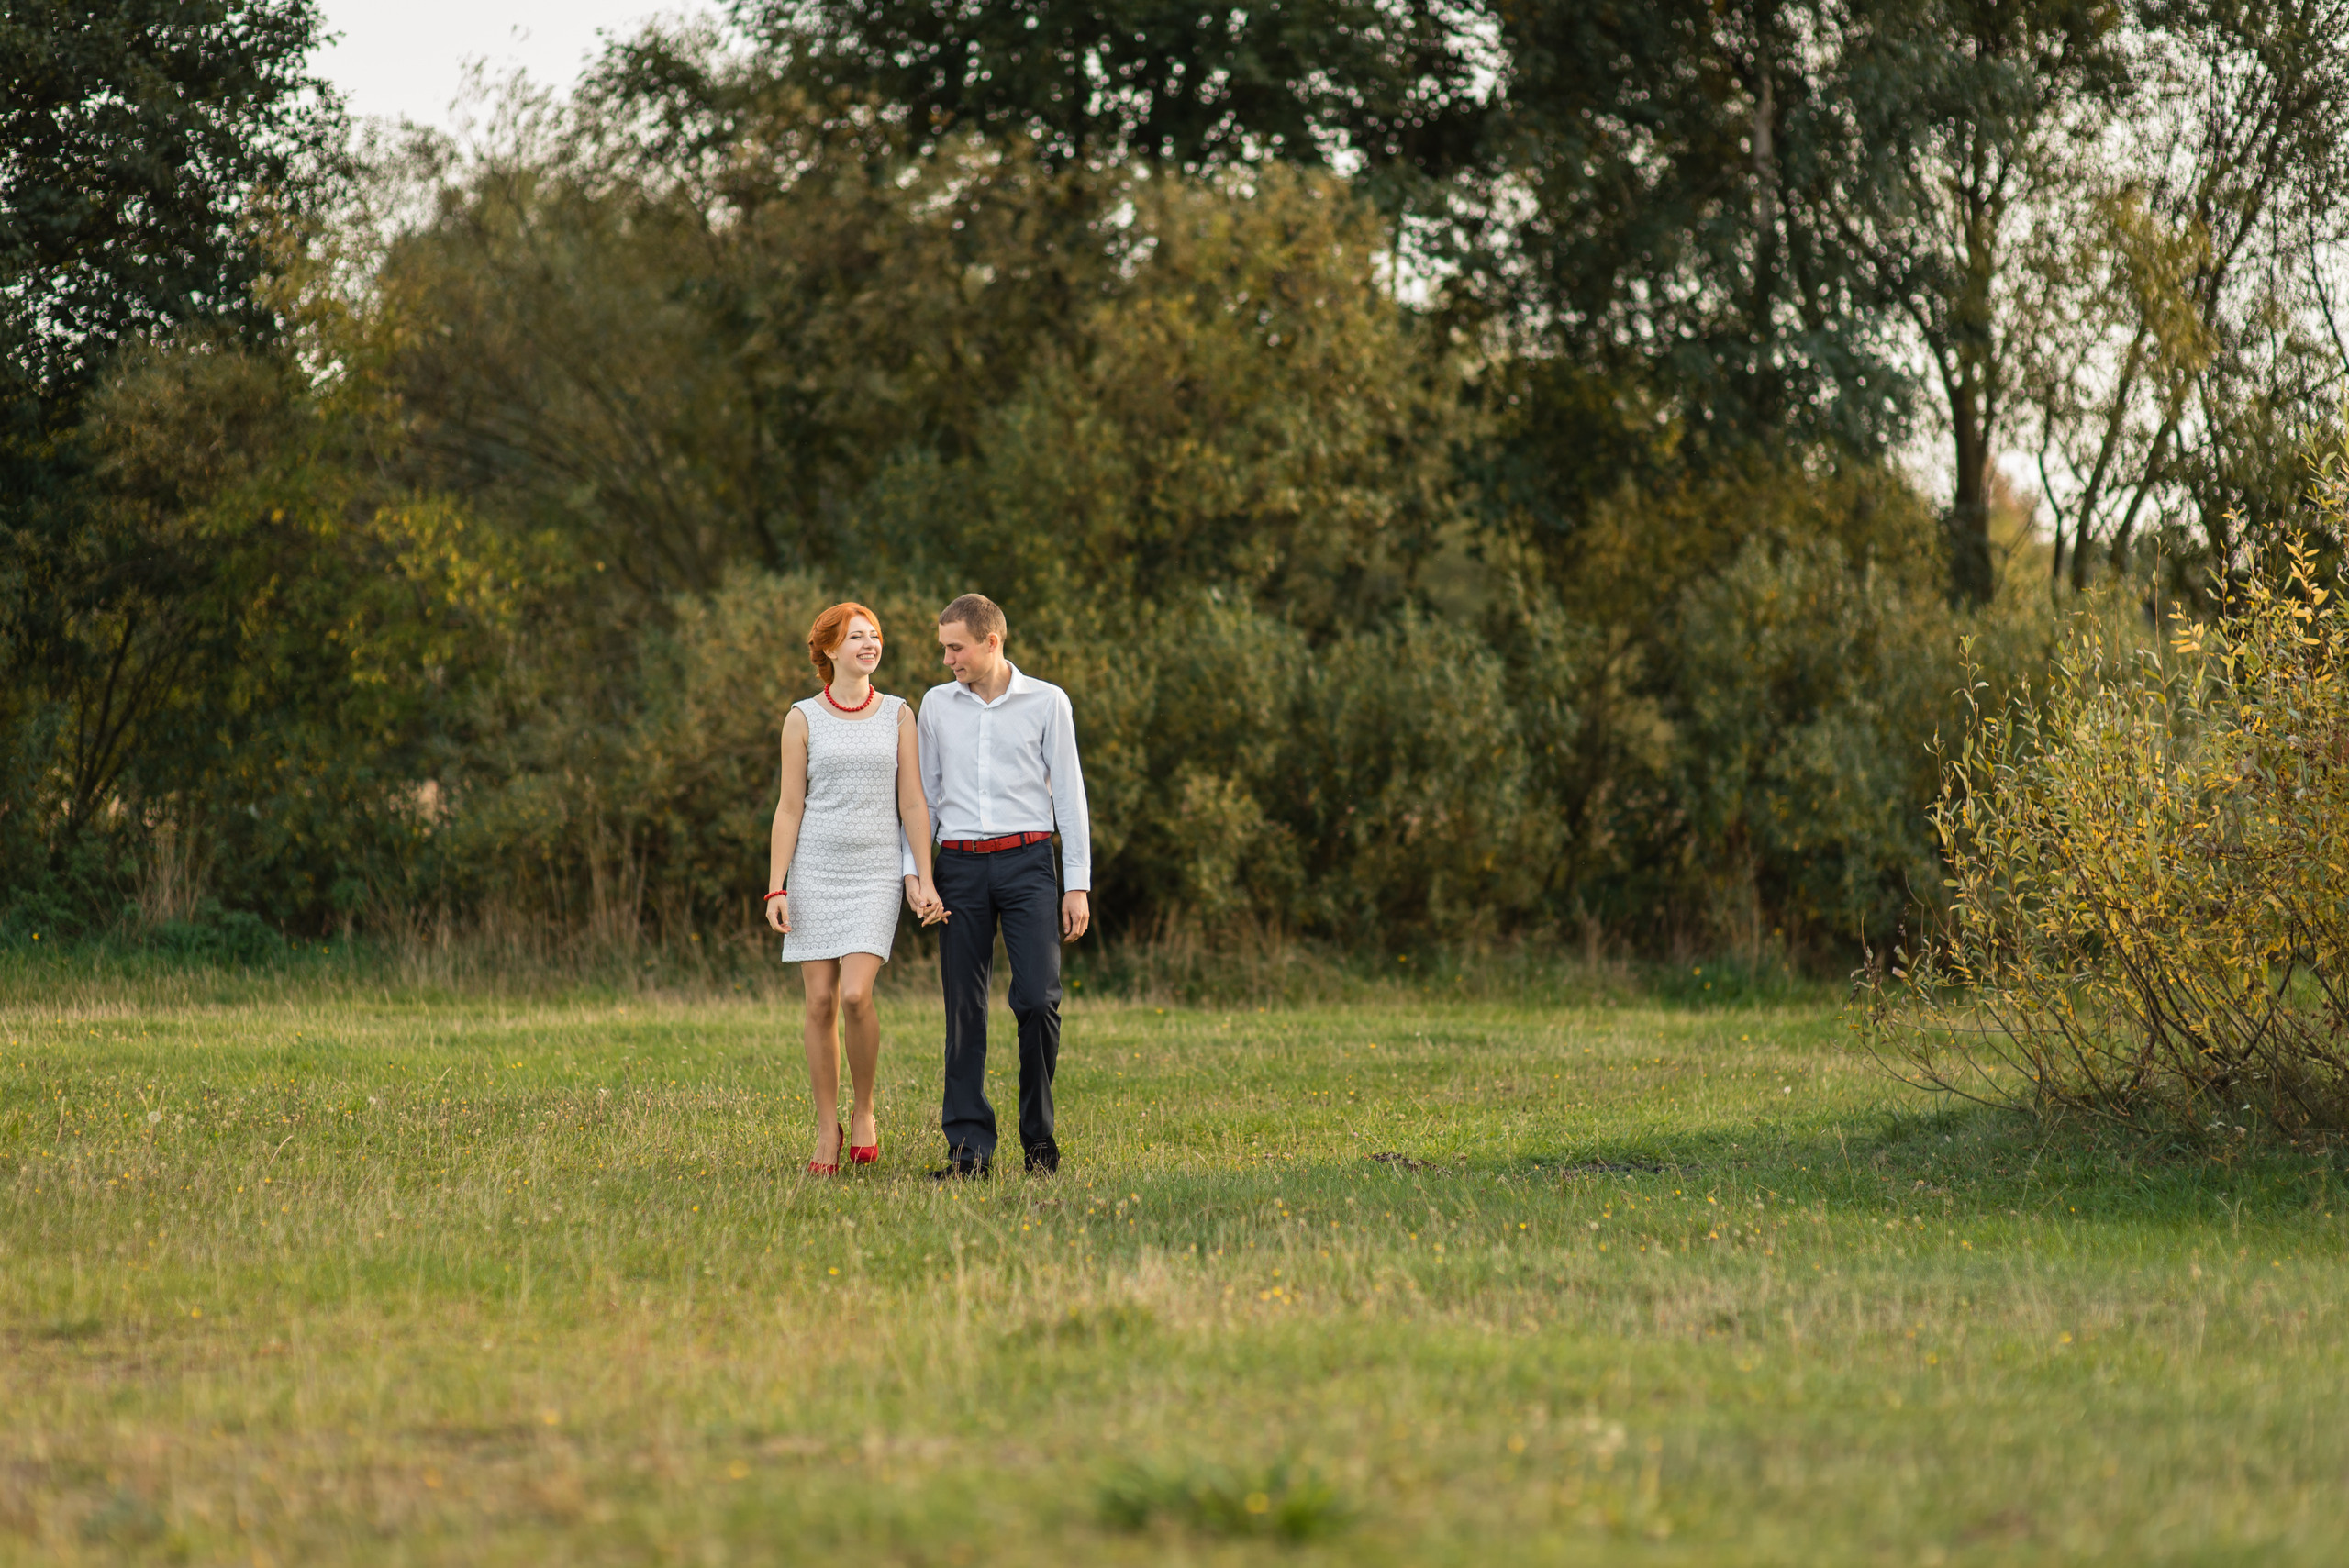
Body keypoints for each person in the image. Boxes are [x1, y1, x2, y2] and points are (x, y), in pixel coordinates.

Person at [764, 603, 945, 1175]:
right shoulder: (802, 718)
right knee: (818, 1001)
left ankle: (864, 1110)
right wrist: (777, 887)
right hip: (815, 869)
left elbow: (913, 800)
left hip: (874, 872)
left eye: (874, 636)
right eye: (856, 637)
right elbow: (789, 807)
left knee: (854, 996)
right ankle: (827, 1129)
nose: (869, 644)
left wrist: (923, 874)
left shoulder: (897, 713)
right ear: (829, 651)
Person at [917, 593, 1092, 1179]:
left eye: (955, 647)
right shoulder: (936, 707)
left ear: (992, 642)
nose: (947, 660)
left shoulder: (1048, 702)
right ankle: (969, 1153)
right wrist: (918, 874)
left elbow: (1069, 795)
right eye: (944, 648)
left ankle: (1038, 1140)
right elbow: (925, 799)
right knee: (964, 1011)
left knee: (1039, 1000)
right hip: (959, 869)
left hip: (1029, 865)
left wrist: (1078, 885)